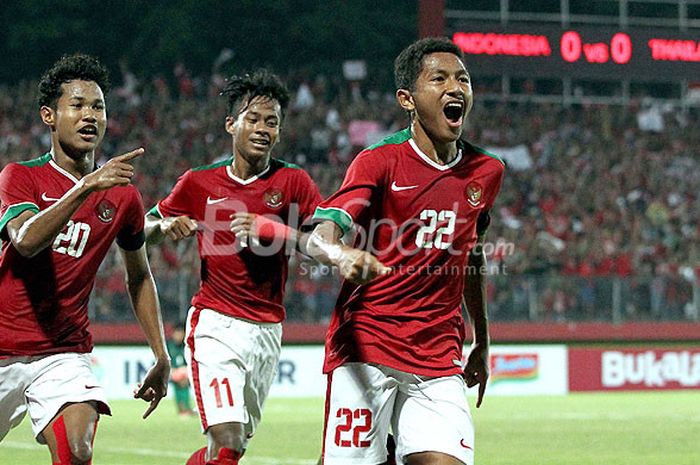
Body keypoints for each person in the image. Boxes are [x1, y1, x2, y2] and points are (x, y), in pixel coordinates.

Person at [306, 37, 506, 465]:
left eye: (462, 78)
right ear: (407, 99)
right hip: (367, 346)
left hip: (438, 356)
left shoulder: (487, 171)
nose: (455, 87)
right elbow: (319, 236)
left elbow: (472, 257)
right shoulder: (379, 160)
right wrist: (341, 254)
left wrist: (483, 341)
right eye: (439, 79)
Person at [144, 70, 322, 465]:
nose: (263, 129)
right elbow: (141, 230)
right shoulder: (198, 182)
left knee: (230, 449)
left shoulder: (295, 182)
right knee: (228, 440)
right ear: (231, 124)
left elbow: (321, 245)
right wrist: (165, 226)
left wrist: (274, 229)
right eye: (253, 119)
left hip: (268, 330)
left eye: (272, 121)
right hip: (216, 324)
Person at [0, 53, 170, 465]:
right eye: (76, 105)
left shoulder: (124, 196)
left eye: (97, 106)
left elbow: (139, 277)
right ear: (49, 116)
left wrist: (162, 355)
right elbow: (24, 240)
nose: (89, 115)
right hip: (2, 345)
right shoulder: (19, 176)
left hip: (63, 352)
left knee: (78, 453)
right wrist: (86, 187)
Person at [167, 321, 194, 416]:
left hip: (186, 371)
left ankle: (186, 407)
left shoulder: (187, 346)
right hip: (172, 372)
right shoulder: (169, 346)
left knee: (183, 379)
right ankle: (182, 408)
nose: (178, 336)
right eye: (176, 333)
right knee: (178, 379)